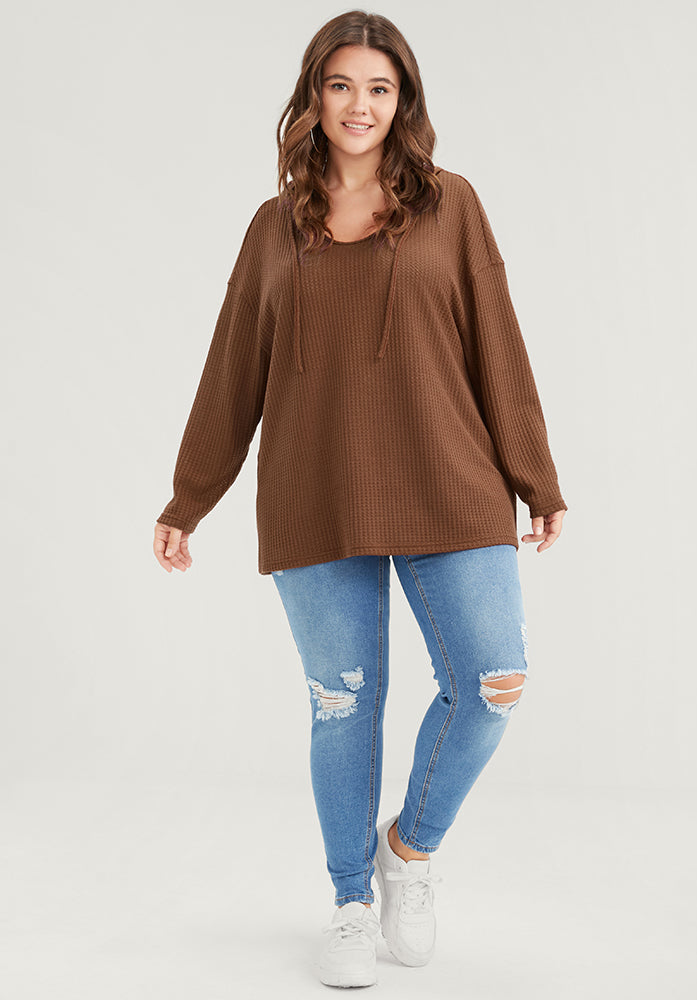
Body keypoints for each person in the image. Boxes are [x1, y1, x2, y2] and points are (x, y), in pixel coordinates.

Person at [153, 9, 568, 989]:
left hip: (448, 476)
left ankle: (406, 853)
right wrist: (188, 498)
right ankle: (348, 901)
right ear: (314, 95)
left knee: (495, 682)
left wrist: (535, 477)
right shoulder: (273, 228)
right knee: (343, 703)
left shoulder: (452, 206)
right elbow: (231, 372)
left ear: (402, 101)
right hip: (316, 488)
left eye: (379, 88)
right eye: (341, 85)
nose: (359, 105)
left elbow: (498, 344)